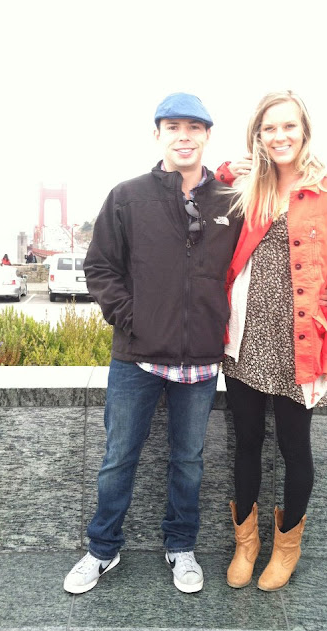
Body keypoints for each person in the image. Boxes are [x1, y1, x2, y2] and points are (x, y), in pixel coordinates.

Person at [63, 93, 243, 596]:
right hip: (136, 357)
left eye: (194, 127)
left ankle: (180, 546)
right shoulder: (127, 196)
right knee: (118, 457)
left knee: (189, 461)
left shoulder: (232, 202)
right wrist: (133, 320)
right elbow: (100, 268)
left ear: (208, 135)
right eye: (173, 127)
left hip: (201, 361)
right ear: (157, 134)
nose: (183, 136)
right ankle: (102, 549)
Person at [216, 90, 327, 592]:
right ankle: (246, 545)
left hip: (301, 342)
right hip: (246, 335)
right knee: (247, 443)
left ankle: (286, 549)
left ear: (305, 131)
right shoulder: (250, 185)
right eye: (269, 128)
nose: (279, 136)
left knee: (295, 448)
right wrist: (224, 170)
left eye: (288, 126)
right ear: (257, 135)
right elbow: (211, 189)